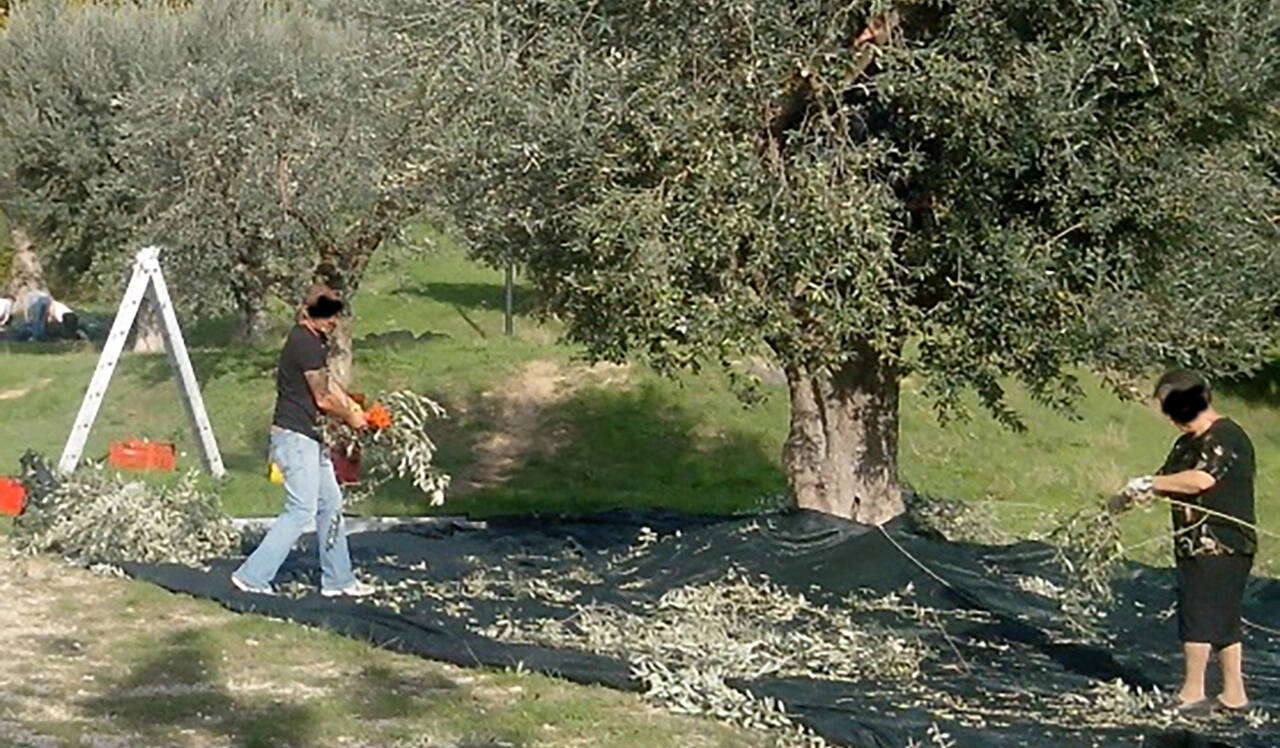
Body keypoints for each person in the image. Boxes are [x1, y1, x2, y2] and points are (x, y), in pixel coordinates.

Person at [1119, 369, 1256, 713]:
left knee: (1199, 616)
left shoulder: (1226, 436)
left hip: (1222, 544)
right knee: (1223, 620)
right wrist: (1129, 496)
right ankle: (1233, 695)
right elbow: (1168, 480)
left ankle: (1192, 693)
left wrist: (1152, 482)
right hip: (1193, 543)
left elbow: (1200, 480)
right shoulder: (1186, 444)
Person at [232, 285, 374, 597]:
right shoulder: (303, 343)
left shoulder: (314, 342)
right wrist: (349, 417)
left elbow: (330, 386)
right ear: (308, 312)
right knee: (301, 508)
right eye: (326, 315)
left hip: (310, 437)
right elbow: (322, 398)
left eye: (335, 315)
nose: (332, 321)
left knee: (331, 503)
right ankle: (252, 577)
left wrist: (352, 406)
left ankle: (338, 580)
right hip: (294, 438)